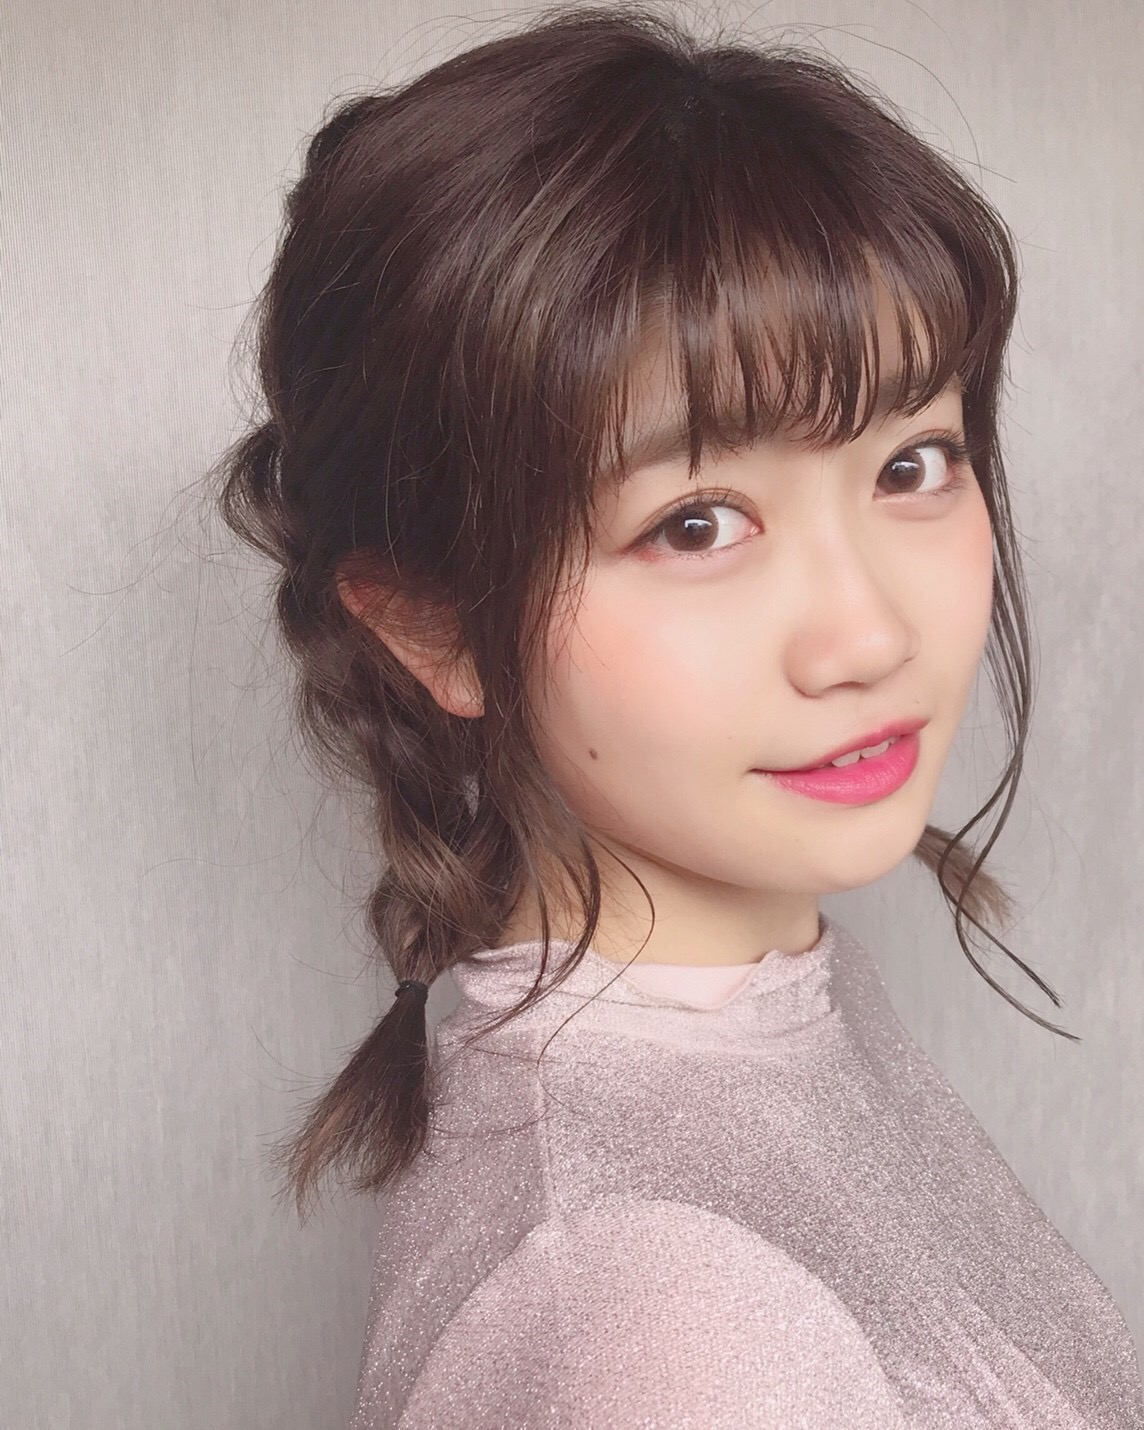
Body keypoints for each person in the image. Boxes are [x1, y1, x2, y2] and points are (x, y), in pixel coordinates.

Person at [207, 5, 1144, 1425]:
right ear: (432, 624)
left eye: (913, 463)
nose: (870, 635)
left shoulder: (777, 1009)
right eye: (696, 522)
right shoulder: (663, 1312)